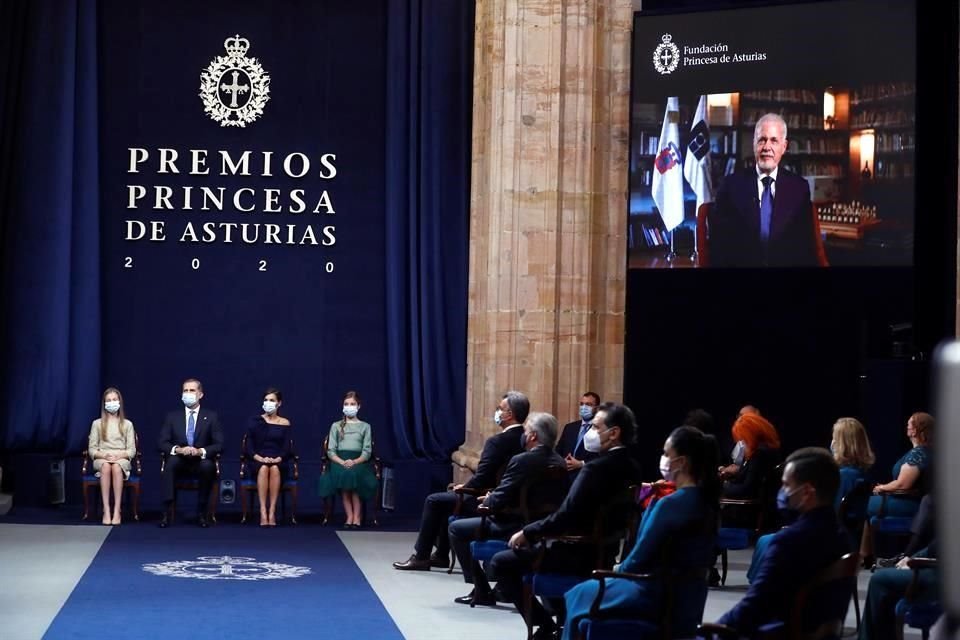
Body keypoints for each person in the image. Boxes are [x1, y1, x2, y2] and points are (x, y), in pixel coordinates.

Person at [486, 402, 644, 639]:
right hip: (606, 550)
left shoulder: (594, 469)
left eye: (595, 427)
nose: (590, 432)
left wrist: (528, 532)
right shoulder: (633, 467)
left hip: (577, 551)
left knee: (501, 562)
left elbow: (566, 515)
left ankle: (546, 625)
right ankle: (562, 621)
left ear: (614, 433)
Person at [562, 426, 720, 640]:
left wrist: (617, 569)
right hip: (689, 598)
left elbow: (637, 560)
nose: (663, 459)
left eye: (666, 454)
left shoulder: (670, 505)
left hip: (653, 594)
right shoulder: (708, 504)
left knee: (580, 593)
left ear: (681, 462)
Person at [715, 448, 851, 634]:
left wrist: (708, 631)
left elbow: (752, 609)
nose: (782, 492)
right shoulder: (842, 538)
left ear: (807, 492)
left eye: (786, 485)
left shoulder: (789, 542)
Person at [392, 390, 528, 570]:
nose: (497, 412)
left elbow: (483, 477)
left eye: (500, 408)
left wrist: (464, 487)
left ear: (509, 414)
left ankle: (421, 556)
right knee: (445, 502)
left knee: (434, 500)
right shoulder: (527, 440)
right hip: (514, 501)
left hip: (487, 500)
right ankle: (441, 555)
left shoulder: (497, 442)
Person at [449, 412, 568, 606]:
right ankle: (502, 588)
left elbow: (500, 499)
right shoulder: (560, 462)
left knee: (456, 528)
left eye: (526, 430)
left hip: (513, 524)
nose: (524, 434)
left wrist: (488, 500)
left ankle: (481, 589)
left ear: (532, 436)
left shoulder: (522, 460)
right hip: (542, 526)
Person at [746, 416, 875, 582]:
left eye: (835, 439)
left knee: (767, 541)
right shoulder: (861, 476)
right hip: (845, 540)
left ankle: (763, 586)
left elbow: (829, 516)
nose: (832, 443)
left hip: (826, 541)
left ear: (842, 444)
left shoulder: (841, 477)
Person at [710, 113, 822, 267]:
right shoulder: (731, 186)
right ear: (754, 144)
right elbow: (718, 244)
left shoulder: (799, 188)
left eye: (774, 141)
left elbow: (805, 247)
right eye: (762, 140)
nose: (767, 147)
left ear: (784, 147)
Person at [860, 412, 934, 563]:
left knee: (860, 503)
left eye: (909, 423)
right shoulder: (922, 451)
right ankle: (864, 555)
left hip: (909, 503)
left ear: (916, 430)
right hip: (907, 500)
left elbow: (902, 484)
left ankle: (859, 555)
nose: (907, 426)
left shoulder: (919, 453)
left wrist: (882, 488)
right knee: (865, 509)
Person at [157, 378, 224, 528]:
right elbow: (162, 442)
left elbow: (219, 444)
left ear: (200, 394)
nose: (188, 393)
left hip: (200, 460)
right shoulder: (172, 417)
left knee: (208, 466)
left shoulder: (211, 417)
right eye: (185, 390)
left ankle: (201, 512)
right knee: (170, 463)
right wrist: (178, 449)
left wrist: (200, 451)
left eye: (192, 390)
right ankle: (167, 512)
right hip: (180, 459)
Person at [318, 391, 378, 529]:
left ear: (358, 406)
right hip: (339, 461)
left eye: (352, 404)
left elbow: (367, 451)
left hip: (359, 461)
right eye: (346, 404)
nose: (349, 407)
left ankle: (357, 517)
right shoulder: (336, 426)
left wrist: (355, 461)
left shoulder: (365, 426)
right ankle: (349, 516)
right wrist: (341, 461)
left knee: (354, 476)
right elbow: (331, 450)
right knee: (345, 475)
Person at [87, 387, 136, 525]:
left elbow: (131, 450)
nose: (111, 402)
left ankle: (117, 510)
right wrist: (104, 455)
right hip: (102, 458)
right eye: (108, 400)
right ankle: (106, 510)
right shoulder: (97, 424)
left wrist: (120, 455)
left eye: (114, 399)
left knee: (116, 467)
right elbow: (92, 449)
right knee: (106, 467)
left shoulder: (127, 424)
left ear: (119, 402)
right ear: (104, 404)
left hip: (121, 458)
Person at [245, 387, 293, 527]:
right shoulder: (255, 421)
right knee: (264, 468)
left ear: (279, 403)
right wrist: (260, 458)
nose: (268, 403)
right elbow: (249, 446)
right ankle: (262, 511)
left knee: (275, 469)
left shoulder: (285, 423)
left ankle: (272, 511)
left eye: (272, 400)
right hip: (258, 460)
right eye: (266, 400)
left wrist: (278, 459)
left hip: (279, 460)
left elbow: (287, 447)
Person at [555, 392, 600, 476]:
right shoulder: (570, 427)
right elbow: (558, 450)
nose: (584, 407)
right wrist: (562, 461)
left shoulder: (601, 429)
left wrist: (582, 464)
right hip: (565, 476)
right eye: (582, 404)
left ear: (597, 408)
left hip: (587, 476)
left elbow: (603, 457)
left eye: (588, 404)